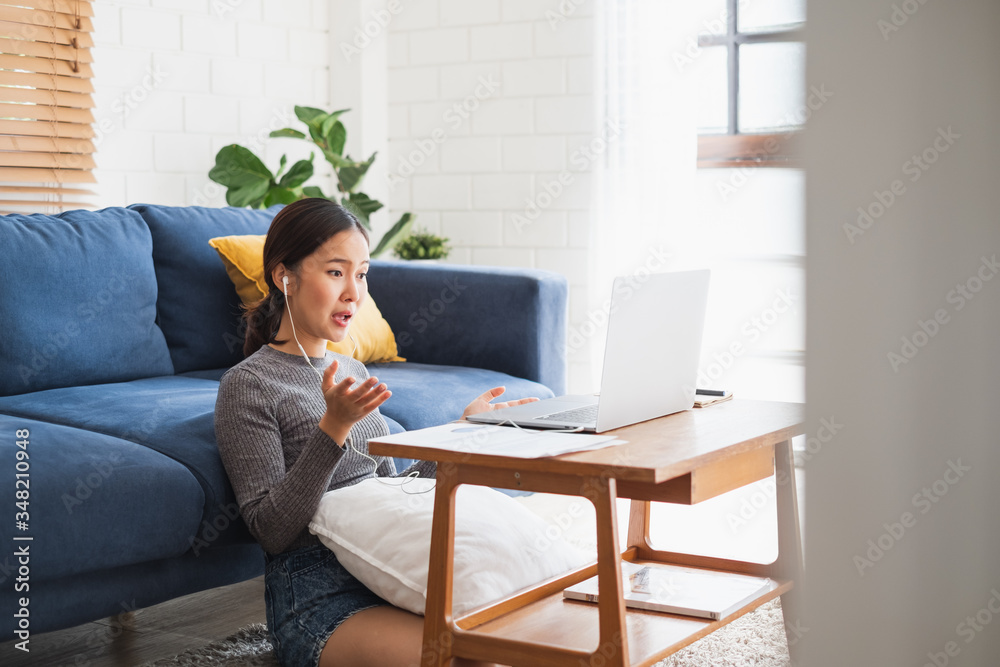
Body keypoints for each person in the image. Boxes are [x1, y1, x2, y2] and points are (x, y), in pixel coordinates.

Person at [214, 198, 534, 667]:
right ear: (286, 276)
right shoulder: (249, 384)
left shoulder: (353, 369)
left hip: (392, 571)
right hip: (318, 597)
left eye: (361, 274)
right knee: (464, 661)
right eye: (336, 272)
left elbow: (393, 493)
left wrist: (461, 437)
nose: (353, 293)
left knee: (515, 643)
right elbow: (272, 531)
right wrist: (333, 428)